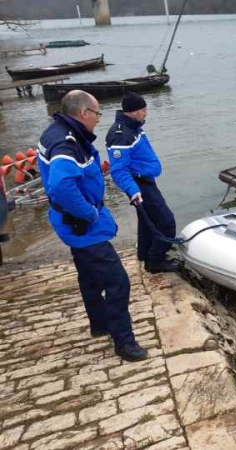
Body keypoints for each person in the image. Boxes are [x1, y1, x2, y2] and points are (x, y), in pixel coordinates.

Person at [37, 90, 147, 362]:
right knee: (117, 281)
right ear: (83, 113)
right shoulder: (67, 144)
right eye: (97, 113)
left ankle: (100, 324)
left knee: (89, 276)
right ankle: (124, 343)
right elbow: (61, 185)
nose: (99, 119)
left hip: (70, 224)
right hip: (82, 225)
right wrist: (89, 213)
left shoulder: (54, 132)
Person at [106, 92, 178, 274]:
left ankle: (145, 254)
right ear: (133, 111)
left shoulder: (134, 127)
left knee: (148, 222)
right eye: (143, 109)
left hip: (146, 180)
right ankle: (156, 260)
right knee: (166, 222)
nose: (146, 112)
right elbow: (118, 170)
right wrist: (133, 191)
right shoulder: (121, 134)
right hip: (139, 184)